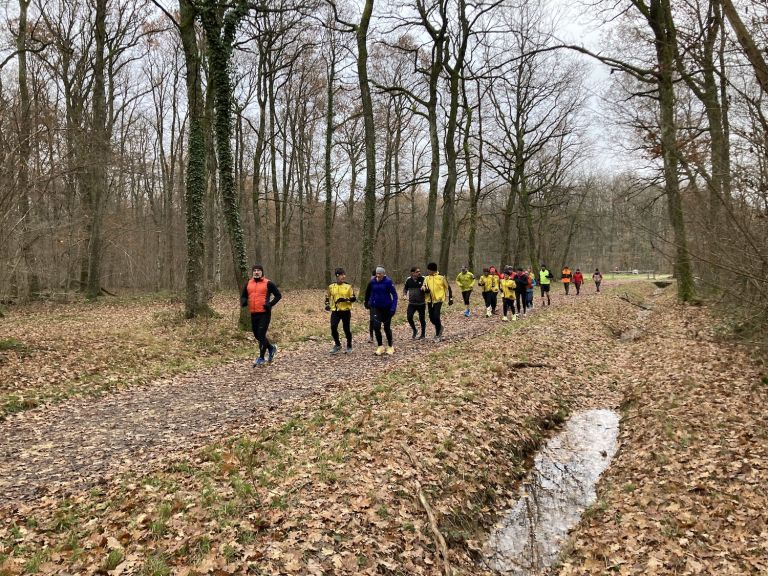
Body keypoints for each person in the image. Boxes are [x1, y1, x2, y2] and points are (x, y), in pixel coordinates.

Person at [240, 264, 282, 367]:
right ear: (252, 272)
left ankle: (261, 358)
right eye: (254, 270)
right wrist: (244, 301)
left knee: (261, 334)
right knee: (257, 335)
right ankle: (271, 348)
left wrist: (270, 304)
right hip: (253, 313)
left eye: (259, 270)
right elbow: (244, 295)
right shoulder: (248, 283)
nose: (256, 272)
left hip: (264, 313)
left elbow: (278, 295)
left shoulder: (268, 283)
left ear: (262, 272)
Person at [364, 266, 398, 355]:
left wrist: (393, 308)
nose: (378, 275)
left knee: (386, 328)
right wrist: (368, 302)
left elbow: (394, 295)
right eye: (377, 273)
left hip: (387, 308)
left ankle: (390, 346)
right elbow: (369, 293)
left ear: (383, 274)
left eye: (380, 274)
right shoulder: (372, 282)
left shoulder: (388, 282)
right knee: (376, 327)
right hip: (376, 308)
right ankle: (380, 346)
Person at [325, 267, 356, 354]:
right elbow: (327, 296)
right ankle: (337, 344)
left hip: (346, 311)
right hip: (335, 311)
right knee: (333, 327)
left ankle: (349, 345)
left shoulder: (348, 286)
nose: (343, 277)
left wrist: (345, 299)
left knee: (346, 329)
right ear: (337, 276)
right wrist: (327, 305)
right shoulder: (331, 287)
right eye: (341, 275)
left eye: (344, 275)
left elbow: (354, 298)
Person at [423, 262, 453, 342]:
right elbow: (423, 286)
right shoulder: (426, 278)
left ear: (432, 270)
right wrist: (425, 289)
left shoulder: (441, 277)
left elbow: (448, 287)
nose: (427, 271)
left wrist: (450, 298)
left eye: (428, 269)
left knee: (436, 316)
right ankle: (440, 327)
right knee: (431, 318)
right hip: (429, 300)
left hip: (439, 299)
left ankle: (438, 335)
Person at [403, 266, 427, 339]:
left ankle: (423, 334)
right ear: (412, 273)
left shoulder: (423, 279)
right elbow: (405, 289)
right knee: (409, 317)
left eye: (419, 271)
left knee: (422, 319)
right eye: (417, 272)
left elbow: (428, 289)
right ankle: (414, 330)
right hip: (412, 304)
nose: (419, 273)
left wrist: (425, 289)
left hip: (421, 303)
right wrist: (404, 295)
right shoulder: (408, 280)